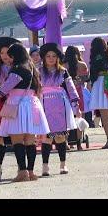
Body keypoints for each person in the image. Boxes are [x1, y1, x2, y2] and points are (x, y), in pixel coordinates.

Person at [0, 43, 49, 182]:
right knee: (30, 140)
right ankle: (31, 172)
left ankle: (22, 171)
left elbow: (4, 90)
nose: (9, 60)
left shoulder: (16, 70)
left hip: (17, 104)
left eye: (10, 56)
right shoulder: (33, 70)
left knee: (17, 140)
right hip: (32, 104)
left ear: (14, 56)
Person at [38, 43, 80, 176]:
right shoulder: (38, 71)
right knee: (47, 137)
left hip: (60, 104)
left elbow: (71, 88)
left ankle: (63, 164)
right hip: (44, 104)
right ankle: (45, 166)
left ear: (58, 58)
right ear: (44, 58)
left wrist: (75, 105)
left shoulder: (63, 71)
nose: (51, 58)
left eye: (54, 56)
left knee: (61, 136)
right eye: (48, 56)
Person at [0, 36, 20, 181]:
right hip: (0, 105)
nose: (5, 56)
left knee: (17, 137)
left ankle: (22, 167)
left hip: (16, 105)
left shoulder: (20, 68)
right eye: (2, 53)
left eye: (8, 53)